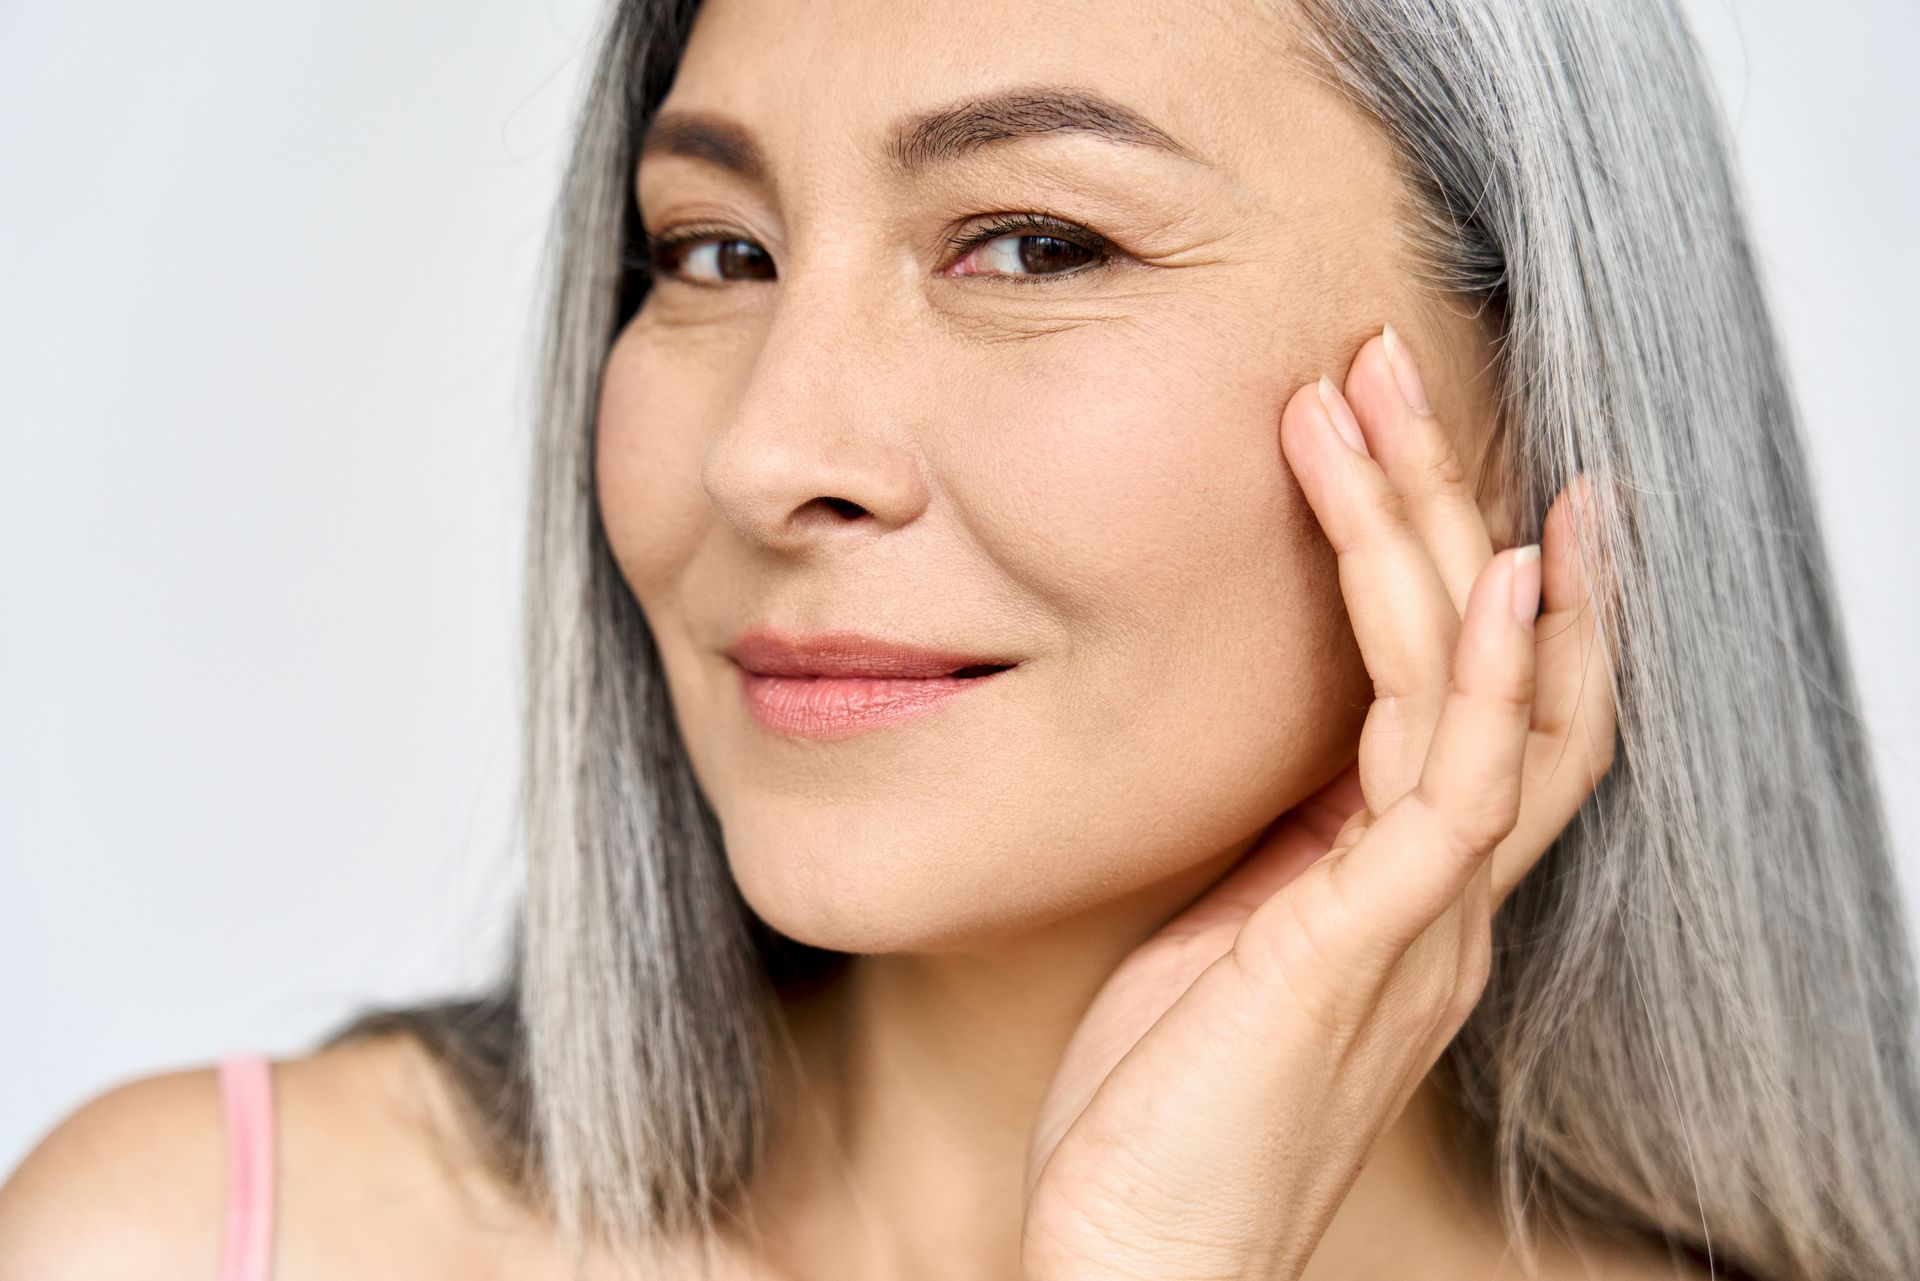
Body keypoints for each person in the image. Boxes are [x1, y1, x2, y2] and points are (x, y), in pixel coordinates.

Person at [5, 0, 1916, 1277]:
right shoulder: (190, 1239)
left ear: (1530, 405)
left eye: (1030, 244)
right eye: (713, 252)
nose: (770, 452)